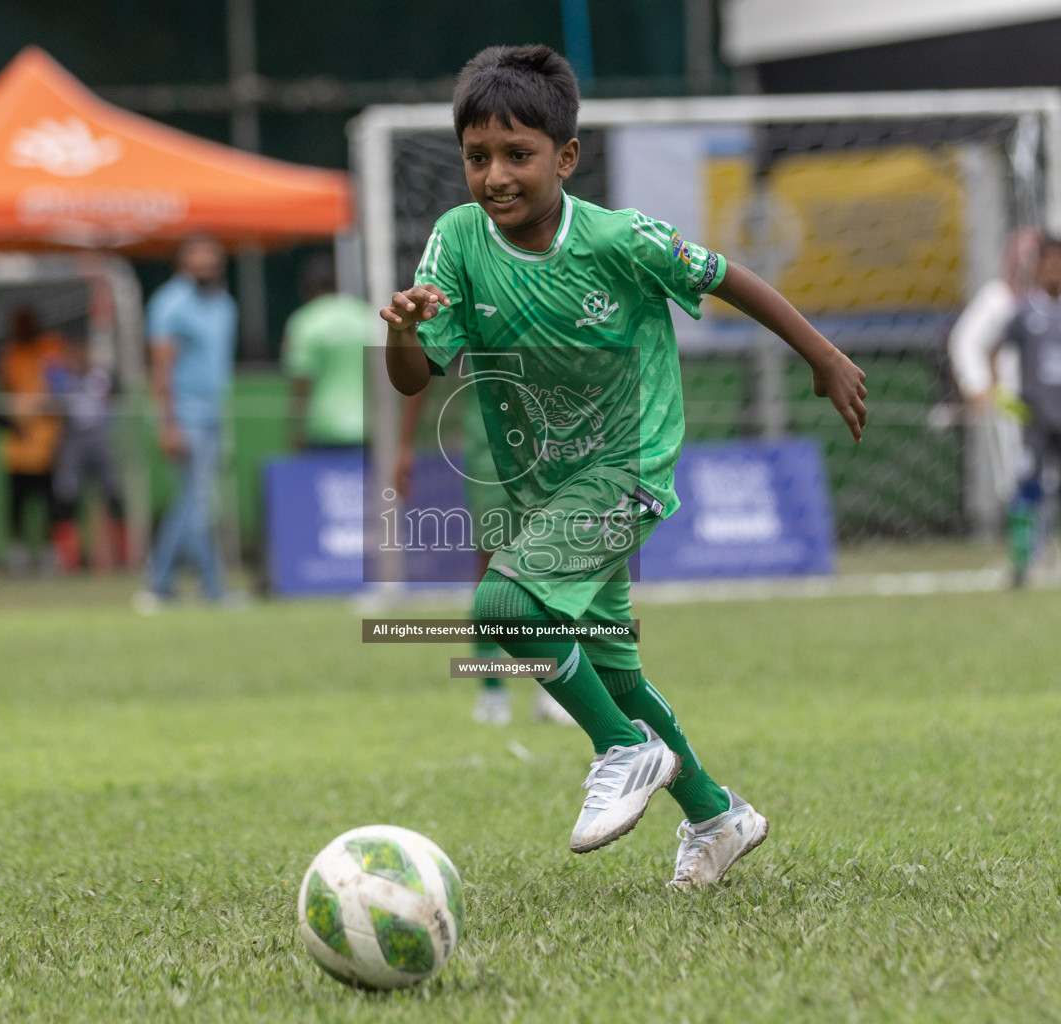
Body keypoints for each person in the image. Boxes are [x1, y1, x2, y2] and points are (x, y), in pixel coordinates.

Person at [381, 45, 868, 887]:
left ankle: (620, 749)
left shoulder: (618, 238)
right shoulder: (458, 240)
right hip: (547, 485)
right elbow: (414, 374)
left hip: (630, 464)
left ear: (565, 158)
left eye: (517, 154)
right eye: (477, 157)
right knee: (611, 667)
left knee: (502, 599)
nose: (495, 175)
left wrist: (821, 356)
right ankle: (717, 816)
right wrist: (401, 328)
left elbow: (728, 276)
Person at [395, 386, 575, 728]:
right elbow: (426, 360)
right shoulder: (466, 331)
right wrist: (405, 442)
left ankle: (554, 689)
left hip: (552, 440)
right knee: (492, 566)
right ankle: (492, 691)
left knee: (552, 564)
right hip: (491, 446)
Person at [992, 237, 1061, 588]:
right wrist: (1000, 394)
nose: (1056, 270)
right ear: (1038, 269)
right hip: (1036, 419)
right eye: (1049, 263)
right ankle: (1021, 564)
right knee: (1028, 487)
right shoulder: (1024, 314)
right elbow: (994, 351)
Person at [136, 235, 239, 610]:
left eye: (212, 257)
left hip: (214, 415)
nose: (206, 265)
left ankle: (159, 584)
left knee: (190, 503)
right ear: (182, 262)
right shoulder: (170, 304)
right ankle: (213, 587)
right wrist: (168, 423)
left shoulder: (224, 303)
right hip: (185, 416)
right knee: (197, 503)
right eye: (198, 258)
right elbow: (161, 368)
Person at [947, 228, 1041, 540]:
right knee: (1016, 477)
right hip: (1011, 403)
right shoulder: (998, 298)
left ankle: (1055, 549)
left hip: (1051, 402)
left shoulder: (1058, 299)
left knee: (1051, 478)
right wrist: (977, 384)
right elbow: (965, 340)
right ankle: (1026, 554)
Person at [0, 305, 69, 574]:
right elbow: (5, 389)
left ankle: (50, 557)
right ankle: (18, 557)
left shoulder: (50, 350)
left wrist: (45, 406)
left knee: (51, 505)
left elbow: (60, 391)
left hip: (47, 445)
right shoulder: (10, 354)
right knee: (16, 507)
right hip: (18, 447)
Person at [48, 336, 127, 570]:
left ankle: (121, 554)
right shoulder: (64, 379)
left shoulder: (100, 377)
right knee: (66, 494)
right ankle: (69, 558)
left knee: (112, 492)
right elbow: (54, 404)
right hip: (73, 438)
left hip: (99, 438)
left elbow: (114, 402)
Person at [282, 253, 374, 451]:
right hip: (368, 427)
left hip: (322, 430)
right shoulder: (366, 316)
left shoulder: (304, 322)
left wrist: (296, 431)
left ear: (305, 288)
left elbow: (301, 382)